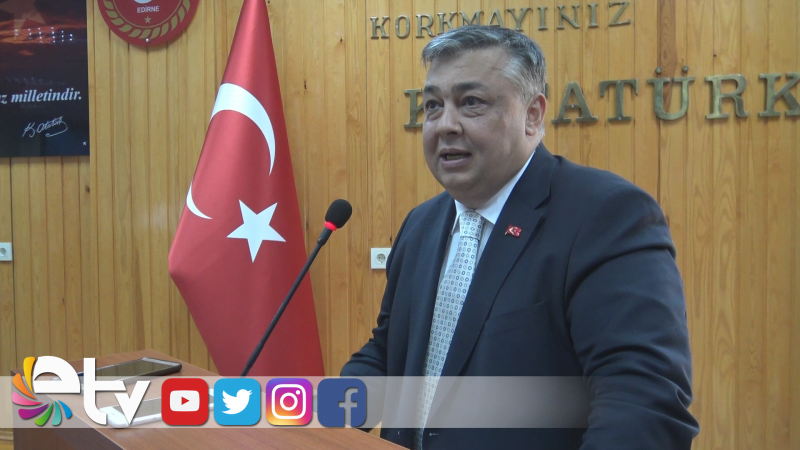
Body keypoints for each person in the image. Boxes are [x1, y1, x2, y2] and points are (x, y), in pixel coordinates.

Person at [342, 25, 698, 449]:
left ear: (533, 115)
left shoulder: (605, 216)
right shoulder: (420, 225)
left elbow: (642, 402)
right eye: (433, 105)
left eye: (471, 102)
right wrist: (307, 416)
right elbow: (388, 354)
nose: (445, 125)